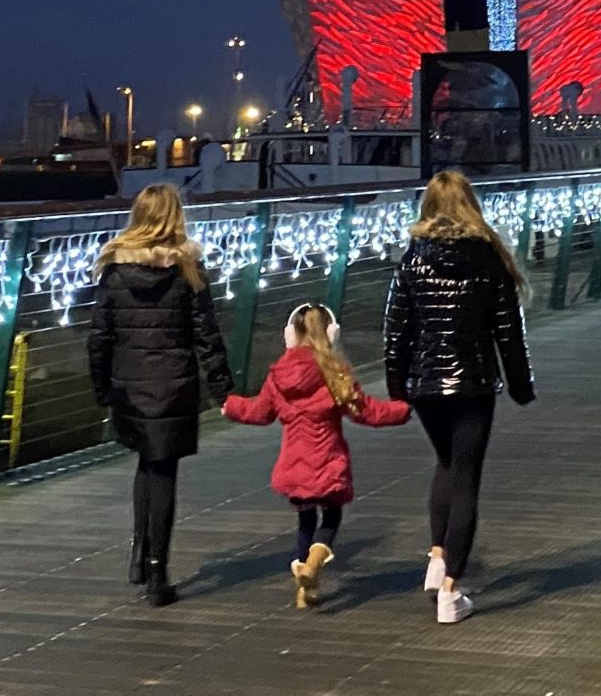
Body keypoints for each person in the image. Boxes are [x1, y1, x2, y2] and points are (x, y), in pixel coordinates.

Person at [384, 171, 535, 624]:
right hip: (473, 382)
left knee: (445, 464)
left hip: (427, 384)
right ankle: (451, 590)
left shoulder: (412, 259)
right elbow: (509, 333)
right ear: (471, 205)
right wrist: (522, 385)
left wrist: (397, 388)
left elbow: (396, 332)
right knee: (466, 475)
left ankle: (436, 557)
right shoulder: (490, 259)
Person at [87, 183, 234, 607]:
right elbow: (207, 336)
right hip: (173, 384)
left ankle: (138, 552)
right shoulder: (187, 270)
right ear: (175, 216)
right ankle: (158, 572)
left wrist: (101, 387)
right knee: (163, 471)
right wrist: (222, 389)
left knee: (144, 463)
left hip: (129, 383)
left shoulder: (113, 270)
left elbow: (100, 336)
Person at [223, 302, 410, 608]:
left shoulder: (278, 376)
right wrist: (402, 409)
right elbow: (365, 411)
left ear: (290, 335)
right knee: (330, 518)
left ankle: (305, 586)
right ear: (331, 333)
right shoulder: (334, 371)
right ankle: (313, 565)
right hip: (327, 462)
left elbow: (259, 412)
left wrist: (230, 406)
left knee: (305, 521)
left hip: (293, 466)